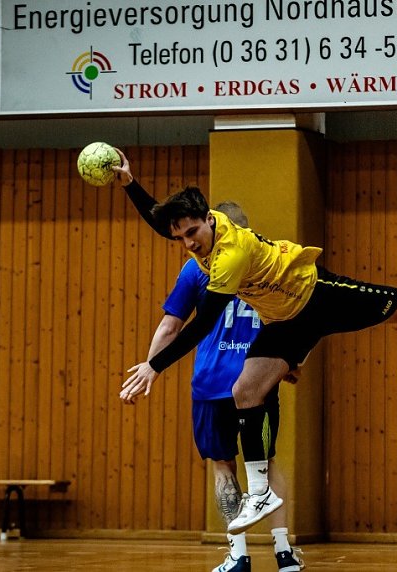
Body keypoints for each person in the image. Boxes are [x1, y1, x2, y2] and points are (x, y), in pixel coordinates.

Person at [112, 150, 397, 535]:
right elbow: (162, 223)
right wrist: (130, 184)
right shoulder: (200, 230)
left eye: (192, 233)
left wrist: (154, 365)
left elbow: (201, 325)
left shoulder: (230, 255)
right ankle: (259, 491)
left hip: (316, 295)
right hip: (284, 318)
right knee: (245, 389)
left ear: (209, 221)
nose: (188, 244)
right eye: (180, 238)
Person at [126, 201, 303, 572]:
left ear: (212, 227)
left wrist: (149, 366)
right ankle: (284, 552)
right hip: (257, 379)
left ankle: (238, 555)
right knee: (267, 463)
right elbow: (291, 320)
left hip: (210, 384)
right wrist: (292, 361)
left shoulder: (195, 271)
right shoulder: (264, 262)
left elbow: (170, 326)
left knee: (224, 468)